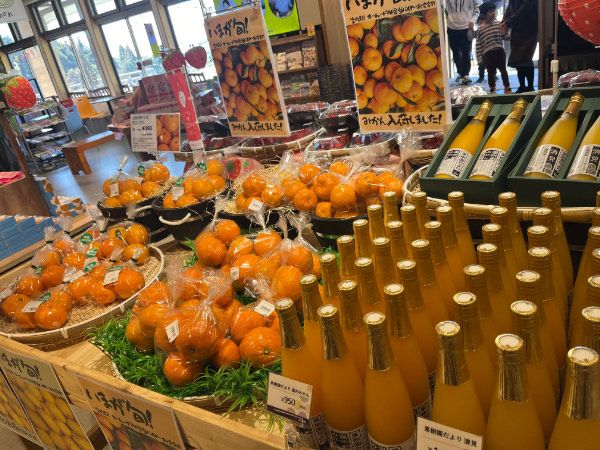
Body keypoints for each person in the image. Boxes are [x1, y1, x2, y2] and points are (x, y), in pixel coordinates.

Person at [501, 0, 538, 92]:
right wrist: (504, 21)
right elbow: (510, 6)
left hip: (529, 27)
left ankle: (530, 87)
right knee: (517, 59)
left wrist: (507, 23)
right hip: (517, 28)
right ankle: (522, 86)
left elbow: (526, 8)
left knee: (526, 58)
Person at [476, 2, 512, 93]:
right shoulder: (480, 29)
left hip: (499, 51)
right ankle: (492, 88)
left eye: (494, 11)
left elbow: (504, 36)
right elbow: (478, 45)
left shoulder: (499, 24)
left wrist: (507, 35)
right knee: (490, 72)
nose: (493, 13)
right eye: (490, 12)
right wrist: (479, 59)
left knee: (503, 70)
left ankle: (507, 87)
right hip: (487, 54)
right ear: (484, 14)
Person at [445, 0, 479, 85]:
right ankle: (461, 73)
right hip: (451, 28)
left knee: (466, 53)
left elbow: (477, 9)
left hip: (466, 27)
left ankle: (465, 75)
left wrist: (473, 21)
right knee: (455, 53)